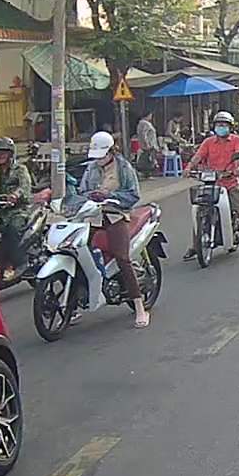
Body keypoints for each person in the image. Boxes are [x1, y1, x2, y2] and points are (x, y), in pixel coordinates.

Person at [67, 131, 150, 329]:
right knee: (76, 252)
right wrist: (91, 196)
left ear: (111, 151)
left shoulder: (124, 167)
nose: (99, 160)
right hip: (92, 216)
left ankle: (139, 306)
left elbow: (133, 195)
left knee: (122, 257)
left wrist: (110, 196)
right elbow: (81, 191)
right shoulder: (91, 168)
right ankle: (72, 305)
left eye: (102, 155)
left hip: (115, 216)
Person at [182, 111, 239, 259]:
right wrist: (189, 167)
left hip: (230, 182)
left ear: (230, 127)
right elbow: (198, 156)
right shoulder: (208, 142)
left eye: (224, 125)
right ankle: (196, 245)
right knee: (199, 212)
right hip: (211, 183)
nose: (221, 127)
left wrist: (238, 168)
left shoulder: (236, 140)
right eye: (218, 125)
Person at [0, 137, 34, 280]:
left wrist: (15, 196)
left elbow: (25, 187)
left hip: (18, 211)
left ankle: (19, 263)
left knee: (12, 229)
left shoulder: (20, 170)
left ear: (10, 154)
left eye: (3, 153)